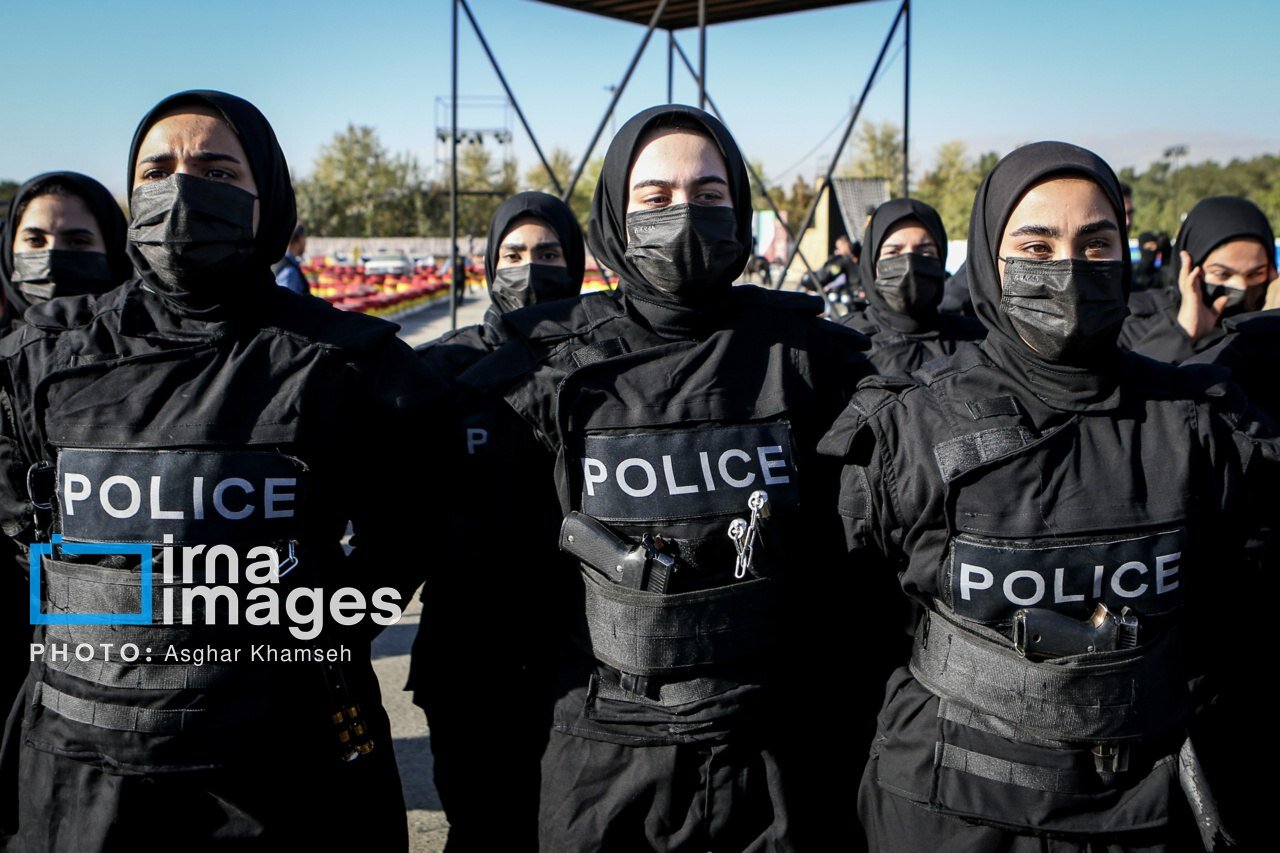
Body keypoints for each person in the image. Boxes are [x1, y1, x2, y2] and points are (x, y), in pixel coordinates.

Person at [0, 90, 440, 851]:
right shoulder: (42, 358)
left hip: (284, 771)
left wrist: (301, 633)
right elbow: (19, 528)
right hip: (87, 772)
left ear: (266, 193)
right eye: (157, 169)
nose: (181, 189)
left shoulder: (348, 362)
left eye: (216, 170)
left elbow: (408, 531)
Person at [819, 141, 1277, 850]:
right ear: (992, 261)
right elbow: (848, 629)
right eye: (1038, 243)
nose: (1068, 268)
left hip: (1145, 812)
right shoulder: (909, 424)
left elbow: (1235, 618)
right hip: (947, 812)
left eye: (1096, 244)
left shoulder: (1202, 423)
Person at [459, 104, 875, 851]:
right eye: (654, 198)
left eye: (709, 196)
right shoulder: (547, 365)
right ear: (616, 214)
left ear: (739, 209)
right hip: (604, 755)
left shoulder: (813, 358)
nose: (684, 215)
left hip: (775, 753)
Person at [408, 190, 585, 852]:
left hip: (576, 651)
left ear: (576, 261)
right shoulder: (446, 369)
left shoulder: (606, 364)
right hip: (468, 650)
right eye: (513, 253)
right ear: (488, 263)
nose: (529, 268)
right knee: (480, 824)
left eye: (547, 252)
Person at [1119, 196, 1277, 364]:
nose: (1241, 286)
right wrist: (1182, 333)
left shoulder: (1272, 320)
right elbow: (1120, 386)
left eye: (1255, 274)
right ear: (1189, 267)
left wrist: (1272, 327)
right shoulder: (1132, 320)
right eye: (1222, 274)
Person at [838, 198, 984, 377]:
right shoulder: (844, 342)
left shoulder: (976, 340)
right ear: (871, 262)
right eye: (893, 252)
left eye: (925, 252)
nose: (910, 264)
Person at [0, 172, 131, 334]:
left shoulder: (149, 347)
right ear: (10, 246)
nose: (51, 258)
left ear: (112, 250)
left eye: (77, 241)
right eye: (35, 240)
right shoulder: (6, 353)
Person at [272, 220, 309, 294]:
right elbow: (287, 303)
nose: (305, 242)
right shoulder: (289, 271)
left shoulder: (279, 260)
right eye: (304, 237)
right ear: (300, 239)